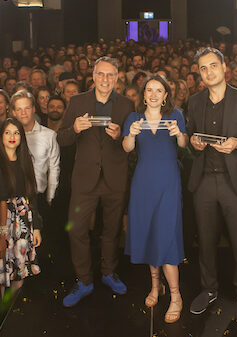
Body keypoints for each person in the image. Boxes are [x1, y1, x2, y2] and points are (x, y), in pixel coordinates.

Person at [187, 47, 237, 324]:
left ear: (224, 68)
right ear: (199, 73)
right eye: (203, 68)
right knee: (206, 243)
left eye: (213, 66)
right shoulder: (195, 101)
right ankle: (209, 290)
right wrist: (193, 144)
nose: (208, 72)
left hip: (236, 184)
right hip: (204, 182)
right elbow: (190, 139)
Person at [57, 56, 134, 307]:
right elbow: (62, 139)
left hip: (115, 178)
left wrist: (119, 135)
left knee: (111, 231)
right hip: (85, 180)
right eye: (101, 74)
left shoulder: (126, 104)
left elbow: (130, 146)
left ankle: (108, 273)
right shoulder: (77, 101)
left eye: (110, 75)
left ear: (117, 78)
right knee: (77, 229)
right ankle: (84, 280)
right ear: (93, 75)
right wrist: (76, 129)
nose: (105, 79)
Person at [122, 74, 188, 323]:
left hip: (168, 183)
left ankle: (176, 296)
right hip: (143, 184)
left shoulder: (175, 115)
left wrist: (178, 132)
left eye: (158, 90)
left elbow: (184, 145)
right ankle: (155, 286)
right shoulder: (134, 118)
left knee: (167, 236)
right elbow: (127, 147)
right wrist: (130, 133)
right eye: (149, 90)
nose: (153, 94)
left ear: (166, 95)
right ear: (143, 94)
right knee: (149, 233)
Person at [0, 118, 42, 295]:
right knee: (2, 272)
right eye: (7, 132)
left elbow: (32, 195)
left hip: (23, 221)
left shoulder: (25, 160)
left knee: (19, 271)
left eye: (16, 132)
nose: (12, 136)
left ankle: (10, 314)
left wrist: (37, 228)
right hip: (2, 219)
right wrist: (2, 231)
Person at [10, 90, 60, 208]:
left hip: (39, 198)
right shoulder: (7, 137)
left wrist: (50, 197)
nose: (23, 113)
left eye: (27, 108)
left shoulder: (49, 135)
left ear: (33, 109)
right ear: (13, 112)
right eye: (19, 109)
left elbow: (54, 168)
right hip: (12, 198)